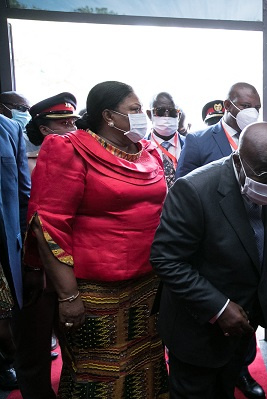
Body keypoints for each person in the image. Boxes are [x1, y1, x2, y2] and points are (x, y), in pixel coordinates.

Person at [21, 81, 168, 398]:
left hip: (150, 285)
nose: (141, 116)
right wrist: (68, 295)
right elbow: (47, 226)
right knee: (98, 373)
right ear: (109, 116)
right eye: (134, 109)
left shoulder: (149, 152)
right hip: (95, 292)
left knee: (146, 362)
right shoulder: (68, 149)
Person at [150, 122, 267, 399]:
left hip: (242, 326)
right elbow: (166, 259)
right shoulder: (194, 190)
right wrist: (219, 307)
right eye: (264, 175)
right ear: (238, 160)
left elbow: (257, 244)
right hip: (197, 329)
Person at [175, 83, 266, 399]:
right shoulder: (200, 141)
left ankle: (241, 370)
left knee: (240, 338)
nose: (252, 110)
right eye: (246, 104)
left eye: (257, 104)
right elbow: (180, 191)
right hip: (209, 255)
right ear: (228, 105)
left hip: (247, 257)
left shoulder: (260, 139)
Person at [13, 92, 79, 398]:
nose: (71, 128)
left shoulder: (80, 157)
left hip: (70, 263)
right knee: (34, 344)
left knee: (76, 342)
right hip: (32, 266)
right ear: (44, 129)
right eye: (63, 123)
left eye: (72, 121)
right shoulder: (20, 159)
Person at [0, 114, 30, 391]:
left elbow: (23, 196)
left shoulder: (9, 128)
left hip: (5, 246)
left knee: (8, 318)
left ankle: (6, 362)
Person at [176, 83, 261, 178]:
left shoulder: (260, 142)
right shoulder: (197, 141)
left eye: (257, 108)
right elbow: (182, 188)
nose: (253, 112)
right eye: (246, 106)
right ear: (228, 105)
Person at [24, 92, 79, 171]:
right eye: (65, 123)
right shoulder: (32, 164)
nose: (73, 129)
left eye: (73, 123)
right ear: (44, 130)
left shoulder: (82, 158)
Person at [145, 92, 186, 189]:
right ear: (149, 114)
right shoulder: (138, 148)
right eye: (160, 111)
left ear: (179, 115)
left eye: (172, 112)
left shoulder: (191, 145)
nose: (166, 116)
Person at [0, 92, 37, 170]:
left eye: (29, 111)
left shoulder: (27, 138)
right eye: (21, 108)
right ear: (1, 108)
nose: (27, 114)